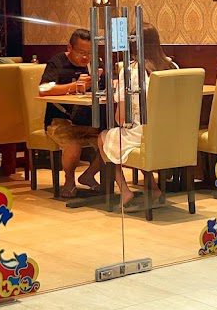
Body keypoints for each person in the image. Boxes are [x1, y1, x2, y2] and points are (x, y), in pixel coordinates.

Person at [99, 23, 177, 207]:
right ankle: (153, 187)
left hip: (144, 135)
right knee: (137, 141)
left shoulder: (129, 72)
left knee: (103, 137)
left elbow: (121, 118)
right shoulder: (172, 67)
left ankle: (125, 191)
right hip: (171, 135)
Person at [39, 28, 103, 198]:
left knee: (111, 144)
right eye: (81, 52)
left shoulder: (95, 63)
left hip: (88, 119)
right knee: (73, 145)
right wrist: (74, 86)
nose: (86, 57)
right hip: (59, 120)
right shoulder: (57, 62)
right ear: (70, 48)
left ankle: (88, 175)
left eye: (89, 53)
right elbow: (43, 89)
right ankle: (69, 181)